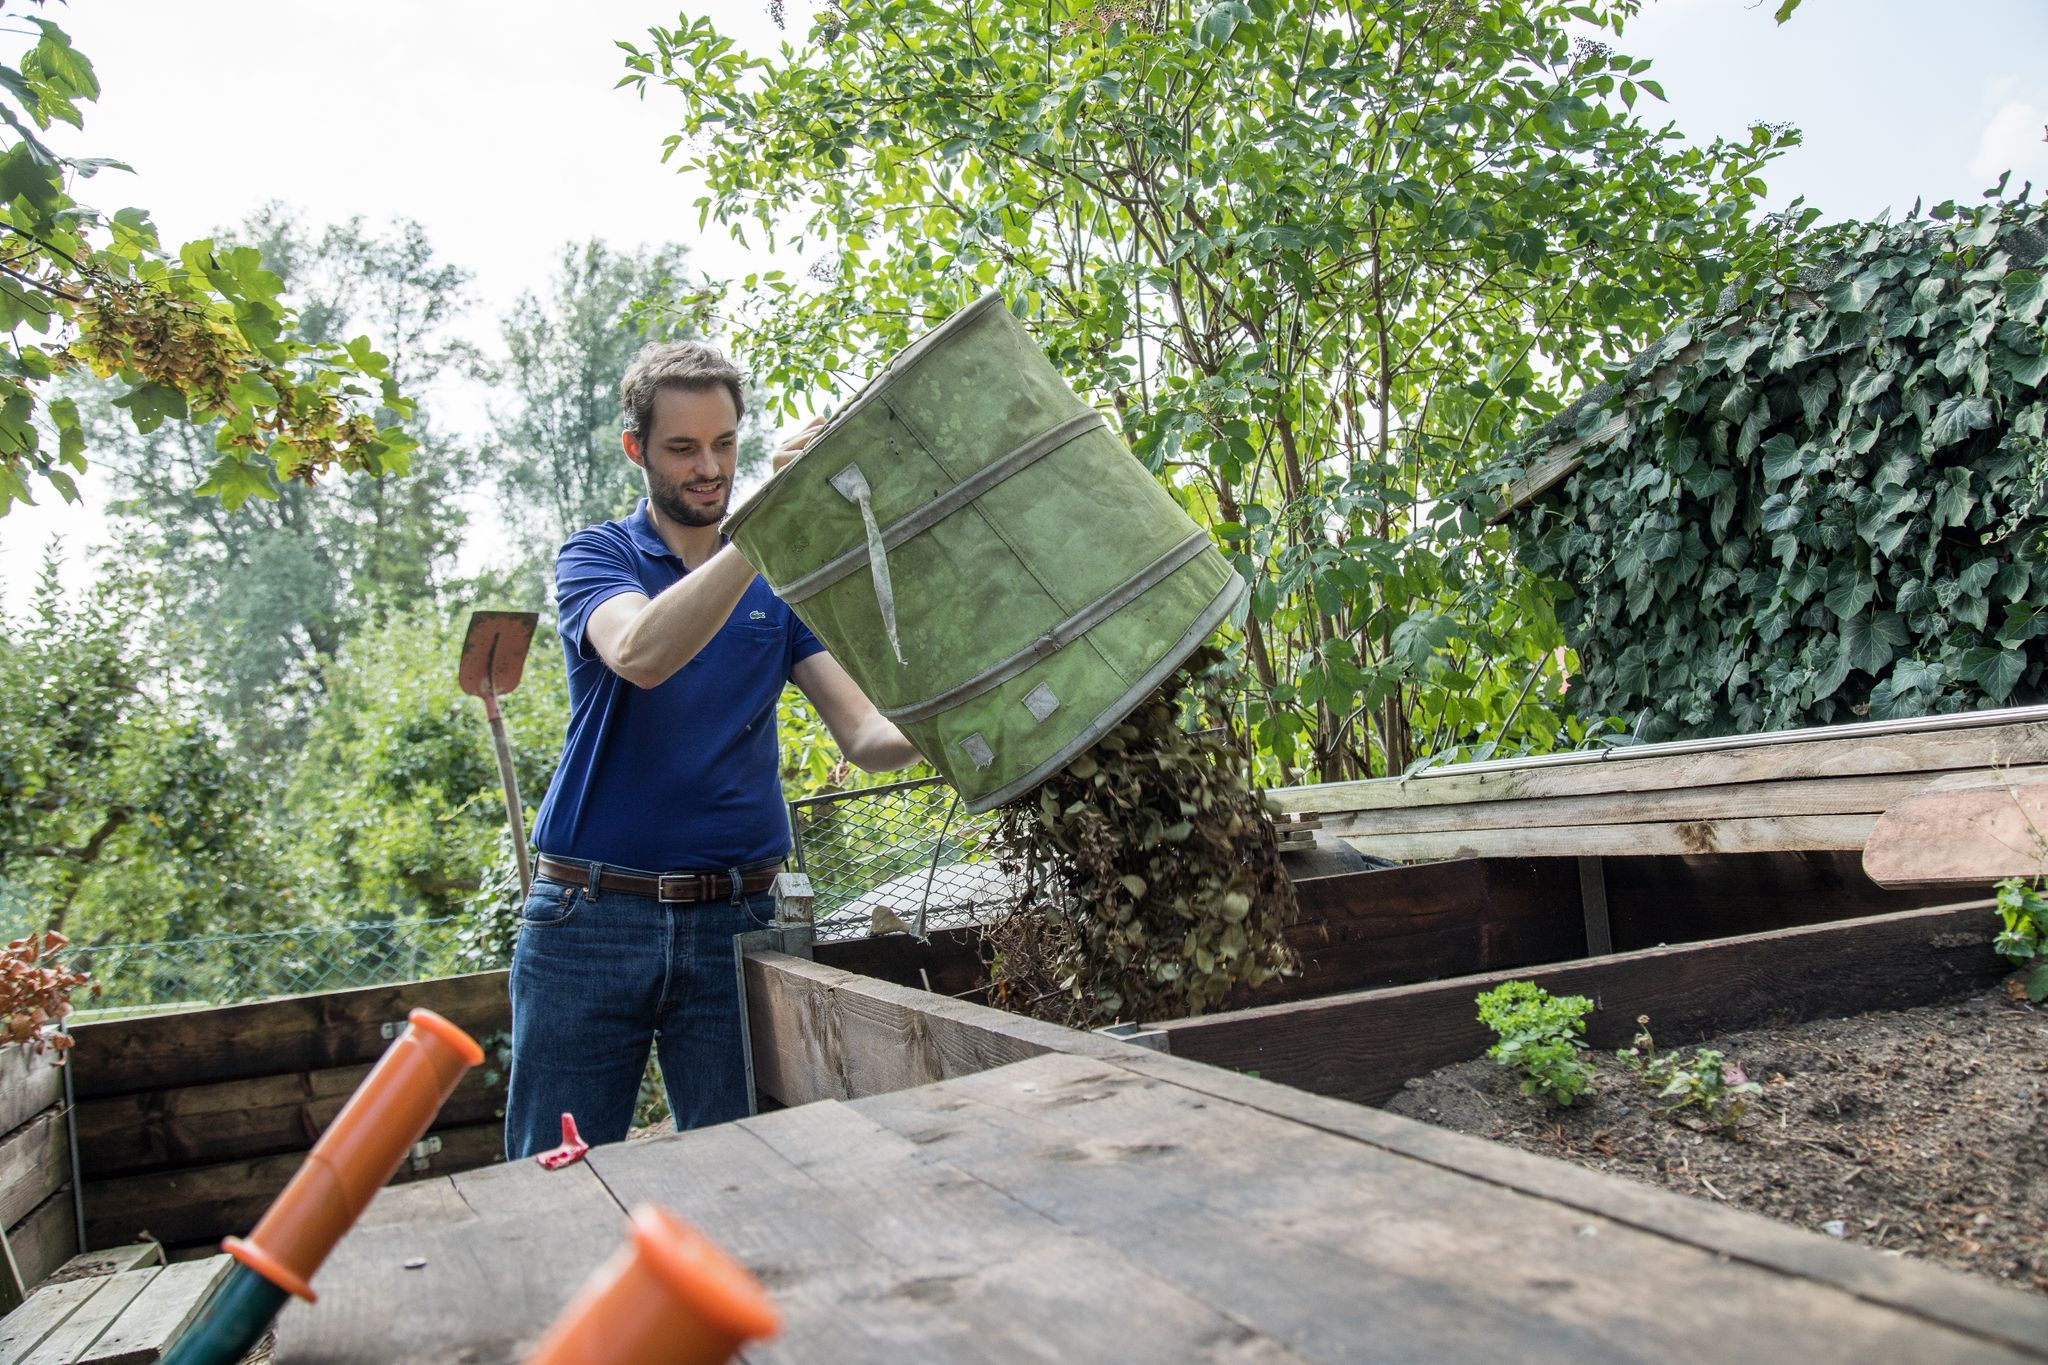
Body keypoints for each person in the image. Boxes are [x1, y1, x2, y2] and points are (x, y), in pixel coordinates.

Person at [504, 340, 921, 1159]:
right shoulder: (598, 556)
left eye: (725, 445)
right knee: (554, 1180)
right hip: (592, 921)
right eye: (683, 447)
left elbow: (867, 736)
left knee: (749, 1177)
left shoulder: (776, 585)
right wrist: (762, 530)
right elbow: (642, 655)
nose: (710, 467)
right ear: (636, 449)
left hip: (737, 923)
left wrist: (983, 712)